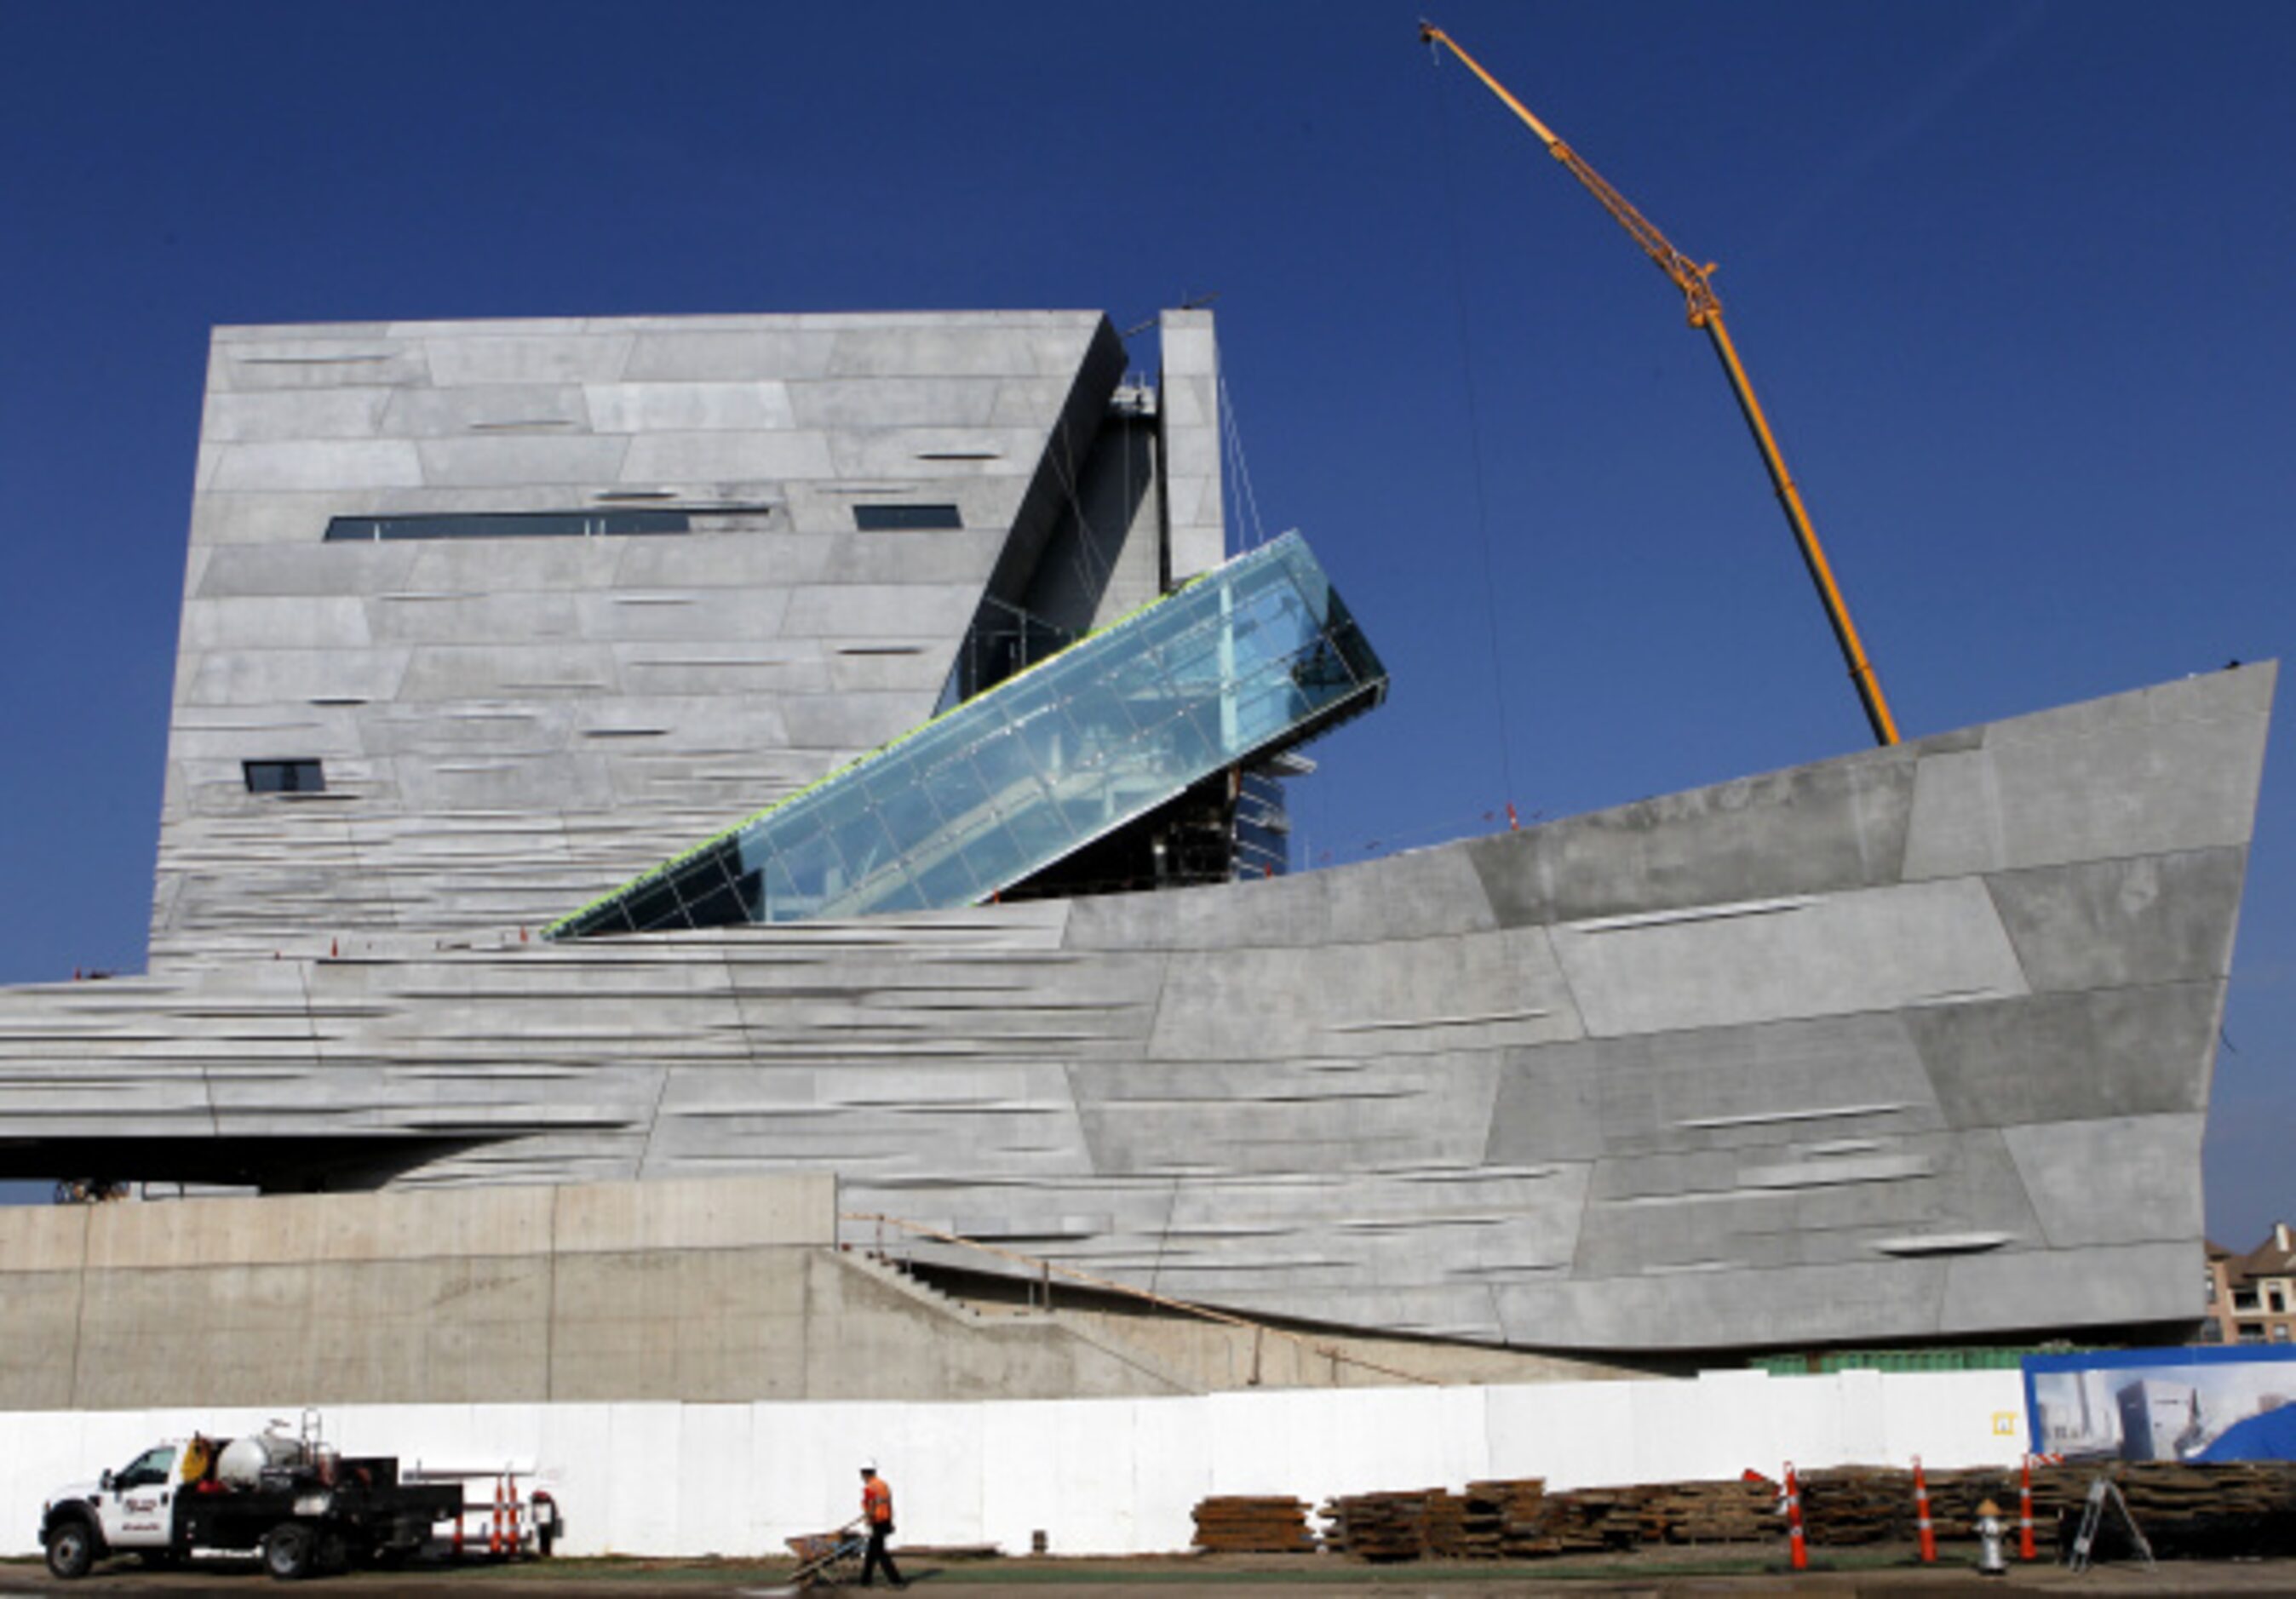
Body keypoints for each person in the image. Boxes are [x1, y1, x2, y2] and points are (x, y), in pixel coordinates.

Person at [858, 1461, 906, 1589]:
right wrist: (890, 1521)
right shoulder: (883, 1485)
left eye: (862, 1474)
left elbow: (872, 1503)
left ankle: (896, 1581)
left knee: (879, 1553)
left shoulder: (870, 1487)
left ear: (865, 1473)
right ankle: (865, 1580)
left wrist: (869, 1517)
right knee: (872, 1551)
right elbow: (887, 1503)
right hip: (885, 1520)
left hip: (877, 1521)